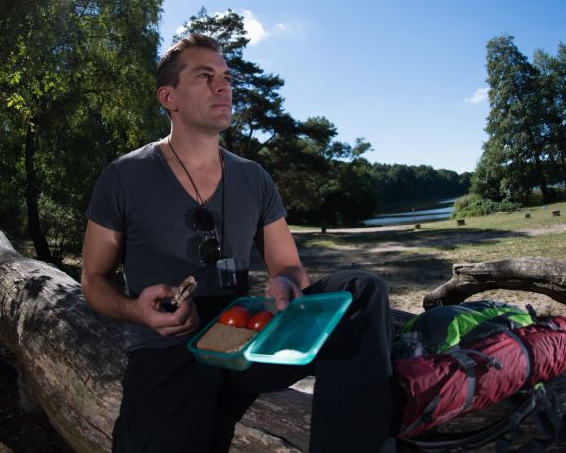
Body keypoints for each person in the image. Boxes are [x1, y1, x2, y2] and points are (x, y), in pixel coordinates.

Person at [81, 33, 399, 453]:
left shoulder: (254, 178)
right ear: (168, 97)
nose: (224, 86)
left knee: (361, 292)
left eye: (227, 78)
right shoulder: (124, 177)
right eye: (205, 76)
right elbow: (93, 278)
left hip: (248, 336)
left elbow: (287, 267)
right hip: (172, 348)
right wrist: (135, 311)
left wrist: (287, 284)